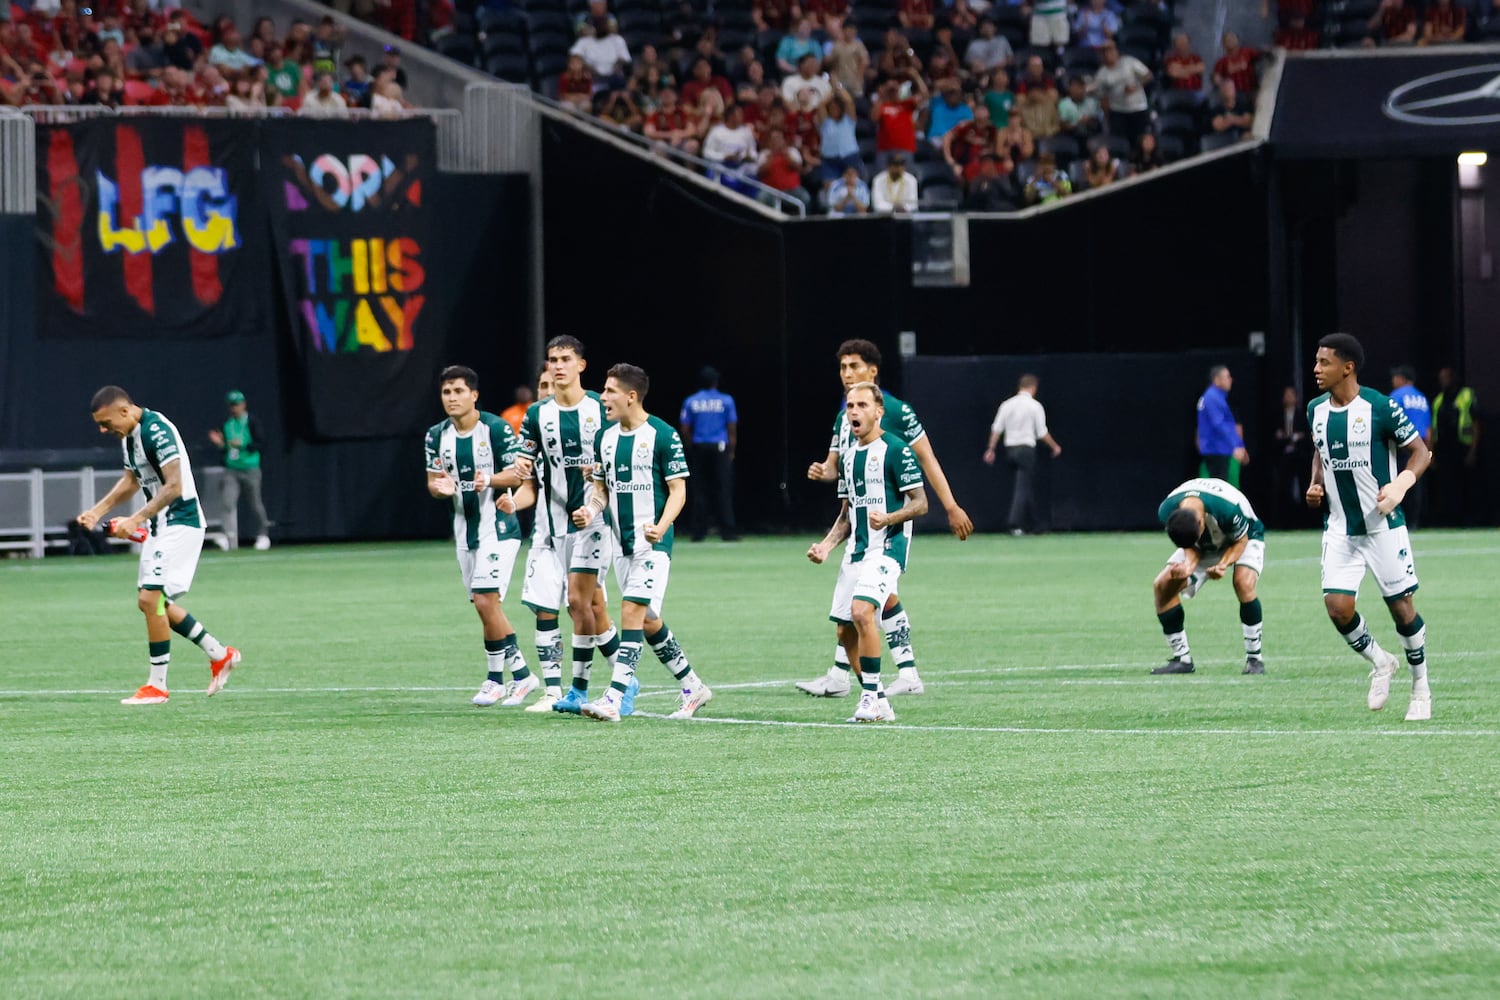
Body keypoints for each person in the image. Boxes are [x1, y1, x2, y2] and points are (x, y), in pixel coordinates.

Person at [798, 339, 972, 699]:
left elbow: (927, 459)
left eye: (855, 367)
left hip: (889, 522)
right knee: (873, 602)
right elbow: (838, 468)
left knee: (865, 604)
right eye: (843, 367)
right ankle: (898, 674)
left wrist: (951, 506)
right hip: (859, 519)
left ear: (873, 371)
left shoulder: (894, 410)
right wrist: (823, 472)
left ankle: (850, 678)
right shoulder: (844, 414)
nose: (848, 374)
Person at [78, 386, 241, 705]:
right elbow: (131, 480)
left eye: (106, 422)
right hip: (160, 525)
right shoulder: (130, 437)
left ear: (124, 411)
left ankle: (157, 685)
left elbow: (174, 486)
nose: (103, 429)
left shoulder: (156, 430)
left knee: (152, 599)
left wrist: (135, 520)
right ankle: (219, 654)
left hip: (181, 521)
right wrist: (99, 510)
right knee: (152, 602)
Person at [574, 364, 714, 721]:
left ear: (631, 396)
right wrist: (590, 511)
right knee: (649, 621)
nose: (603, 398)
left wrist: (662, 525)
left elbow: (679, 490)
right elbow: (601, 491)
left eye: (609, 391)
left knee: (631, 612)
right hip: (621, 545)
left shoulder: (663, 435)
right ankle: (693, 686)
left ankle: (614, 697)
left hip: (654, 545)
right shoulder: (604, 438)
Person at [1306, 333, 1433, 721]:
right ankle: (1380, 661)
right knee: (1337, 607)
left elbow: (1421, 452)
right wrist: (1316, 482)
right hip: (1341, 530)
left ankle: (1420, 687)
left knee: (1402, 609)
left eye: (1324, 363)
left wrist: (1400, 485)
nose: (1316, 369)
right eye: (1316, 361)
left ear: (1348, 367)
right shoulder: (1315, 410)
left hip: (1383, 528)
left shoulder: (1379, 406)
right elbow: (1319, 449)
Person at [806, 382, 928, 723]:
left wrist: (889, 518)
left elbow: (920, 503)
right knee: (845, 632)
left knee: (862, 613)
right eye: (849, 406)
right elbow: (847, 515)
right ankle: (878, 701)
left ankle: (870, 699)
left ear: (878, 411)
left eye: (861, 405)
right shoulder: (848, 458)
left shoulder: (896, 450)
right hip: (856, 553)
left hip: (888, 549)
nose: (854, 412)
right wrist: (826, 546)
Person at [514, 336, 621, 714]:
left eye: (565, 359)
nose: (557, 366)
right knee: (546, 606)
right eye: (552, 360)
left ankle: (585, 687)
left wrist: (594, 507)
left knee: (580, 602)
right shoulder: (536, 415)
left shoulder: (601, 407)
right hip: (549, 528)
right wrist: (517, 478)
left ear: (581, 365)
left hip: (596, 524)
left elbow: (613, 467)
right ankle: (554, 691)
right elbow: (523, 467)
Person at [424, 366, 537, 709]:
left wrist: (488, 480)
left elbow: (516, 474)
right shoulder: (435, 436)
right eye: (447, 392)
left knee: (487, 601)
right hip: (464, 532)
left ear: (474, 395)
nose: (452, 398)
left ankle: (521, 675)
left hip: (499, 528)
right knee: (485, 607)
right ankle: (493, 680)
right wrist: (440, 490)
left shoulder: (496, 428)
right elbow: (434, 481)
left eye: (459, 391)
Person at [1150, 477, 1266, 675]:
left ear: (1201, 521)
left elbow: (1240, 541)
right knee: (1162, 585)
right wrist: (1188, 566)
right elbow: (1190, 545)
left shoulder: (1227, 509)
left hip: (1244, 536)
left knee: (1242, 583)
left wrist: (1222, 565)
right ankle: (1182, 659)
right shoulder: (1167, 511)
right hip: (1204, 545)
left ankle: (1255, 660)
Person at [982, 374, 1062, 536]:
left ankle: (1036, 523)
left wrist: (991, 449)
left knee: (1025, 486)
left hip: (1010, 448)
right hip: (1026, 449)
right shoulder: (1035, 406)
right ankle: (1014, 523)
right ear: (1033, 388)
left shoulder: (1007, 405)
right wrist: (1054, 446)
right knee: (1022, 487)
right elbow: (1041, 432)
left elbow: (997, 428)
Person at [679, 366, 739, 542]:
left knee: (699, 490)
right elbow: (732, 428)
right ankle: (728, 531)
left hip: (699, 446)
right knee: (723, 489)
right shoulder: (726, 401)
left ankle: (698, 532)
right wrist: (732, 451)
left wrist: (692, 447)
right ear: (716, 382)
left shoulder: (691, 401)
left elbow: (685, 428)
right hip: (720, 447)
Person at [207, 390, 270, 551]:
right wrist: (220, 444)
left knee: (255, 503)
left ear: (243, 405)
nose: (234, 408)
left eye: (237, 405)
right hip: (232, 469)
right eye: (231, 405)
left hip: (250, 468)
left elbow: (260, 443)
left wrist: (242, 445)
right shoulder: (227, 424)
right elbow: (226, 449)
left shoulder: (252, 422)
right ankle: (229, 538)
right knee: (228, 503)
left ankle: (263, 534)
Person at [1430, 366, 1481, 526]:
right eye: (1441, 378)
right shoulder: (1438, 400)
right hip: (1444, 449)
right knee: (1446, 486)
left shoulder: (1466, 395)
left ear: (1454, 378)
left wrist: (1473, 450)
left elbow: (1476, 424)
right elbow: (1432, 428)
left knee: (1465, 485)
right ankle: (1448, 519)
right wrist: (1431, 453)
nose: (1444, 381)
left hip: (1462, 447)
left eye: (1447, 377)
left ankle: (1467, 519)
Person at [1389, 366, 1430, 529]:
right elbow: (1428, 428)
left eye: (1395, 378)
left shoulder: (1396, 396)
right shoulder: (1422, 398)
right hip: (1421, 448)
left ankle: (1398, 519)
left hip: (1402, 447)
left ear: (1401, 378)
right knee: (1415, 484)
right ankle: (1414, 521)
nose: (1393, 381)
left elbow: (1389, 421)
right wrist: (1428, 453)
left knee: (1398, 482)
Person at [1197, 365, 1248, 483]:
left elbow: (1229, 424)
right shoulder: (1212, 397)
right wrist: (1235, 446)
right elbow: (1219, 424)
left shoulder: (1217, 398)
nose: (1230, 380)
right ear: (1217, 380)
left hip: (1220, 450)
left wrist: (1239, 445)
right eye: (1227, 377)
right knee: (1220, 488)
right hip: (1217, 451)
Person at [1270, 385, 1310, 528]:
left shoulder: (1303, 416)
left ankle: (1303, 522)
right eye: (1285, 395)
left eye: (1291, 395)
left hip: (1300, 458)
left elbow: (1305, 436)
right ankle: (1283, 522)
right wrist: (1290, 438)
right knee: (1283, 489)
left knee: (1302, 488)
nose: (1288, 398)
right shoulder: (1277, 416)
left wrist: (1292, 437)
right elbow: (1276, 437)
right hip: (1283, 459)